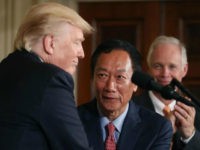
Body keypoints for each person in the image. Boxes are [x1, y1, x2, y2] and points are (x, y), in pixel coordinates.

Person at [0, 2, 94, 150]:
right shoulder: (51, 80)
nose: (81, 53)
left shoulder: (5, 66)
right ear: (50, 43)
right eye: (76, 42)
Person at [78, 39, 173, 150]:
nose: (110, 87)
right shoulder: (72, 121)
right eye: (102, 75)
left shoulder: (157, 128)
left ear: (135, 84)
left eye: (120, 77)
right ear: (92, 79)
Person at [134, 35, 200, 150]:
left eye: (172, 67)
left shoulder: (197, 111)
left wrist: (189, 135)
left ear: (184, 70)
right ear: (149, 68)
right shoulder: (131, 108)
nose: (165, 74)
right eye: (158, 66)